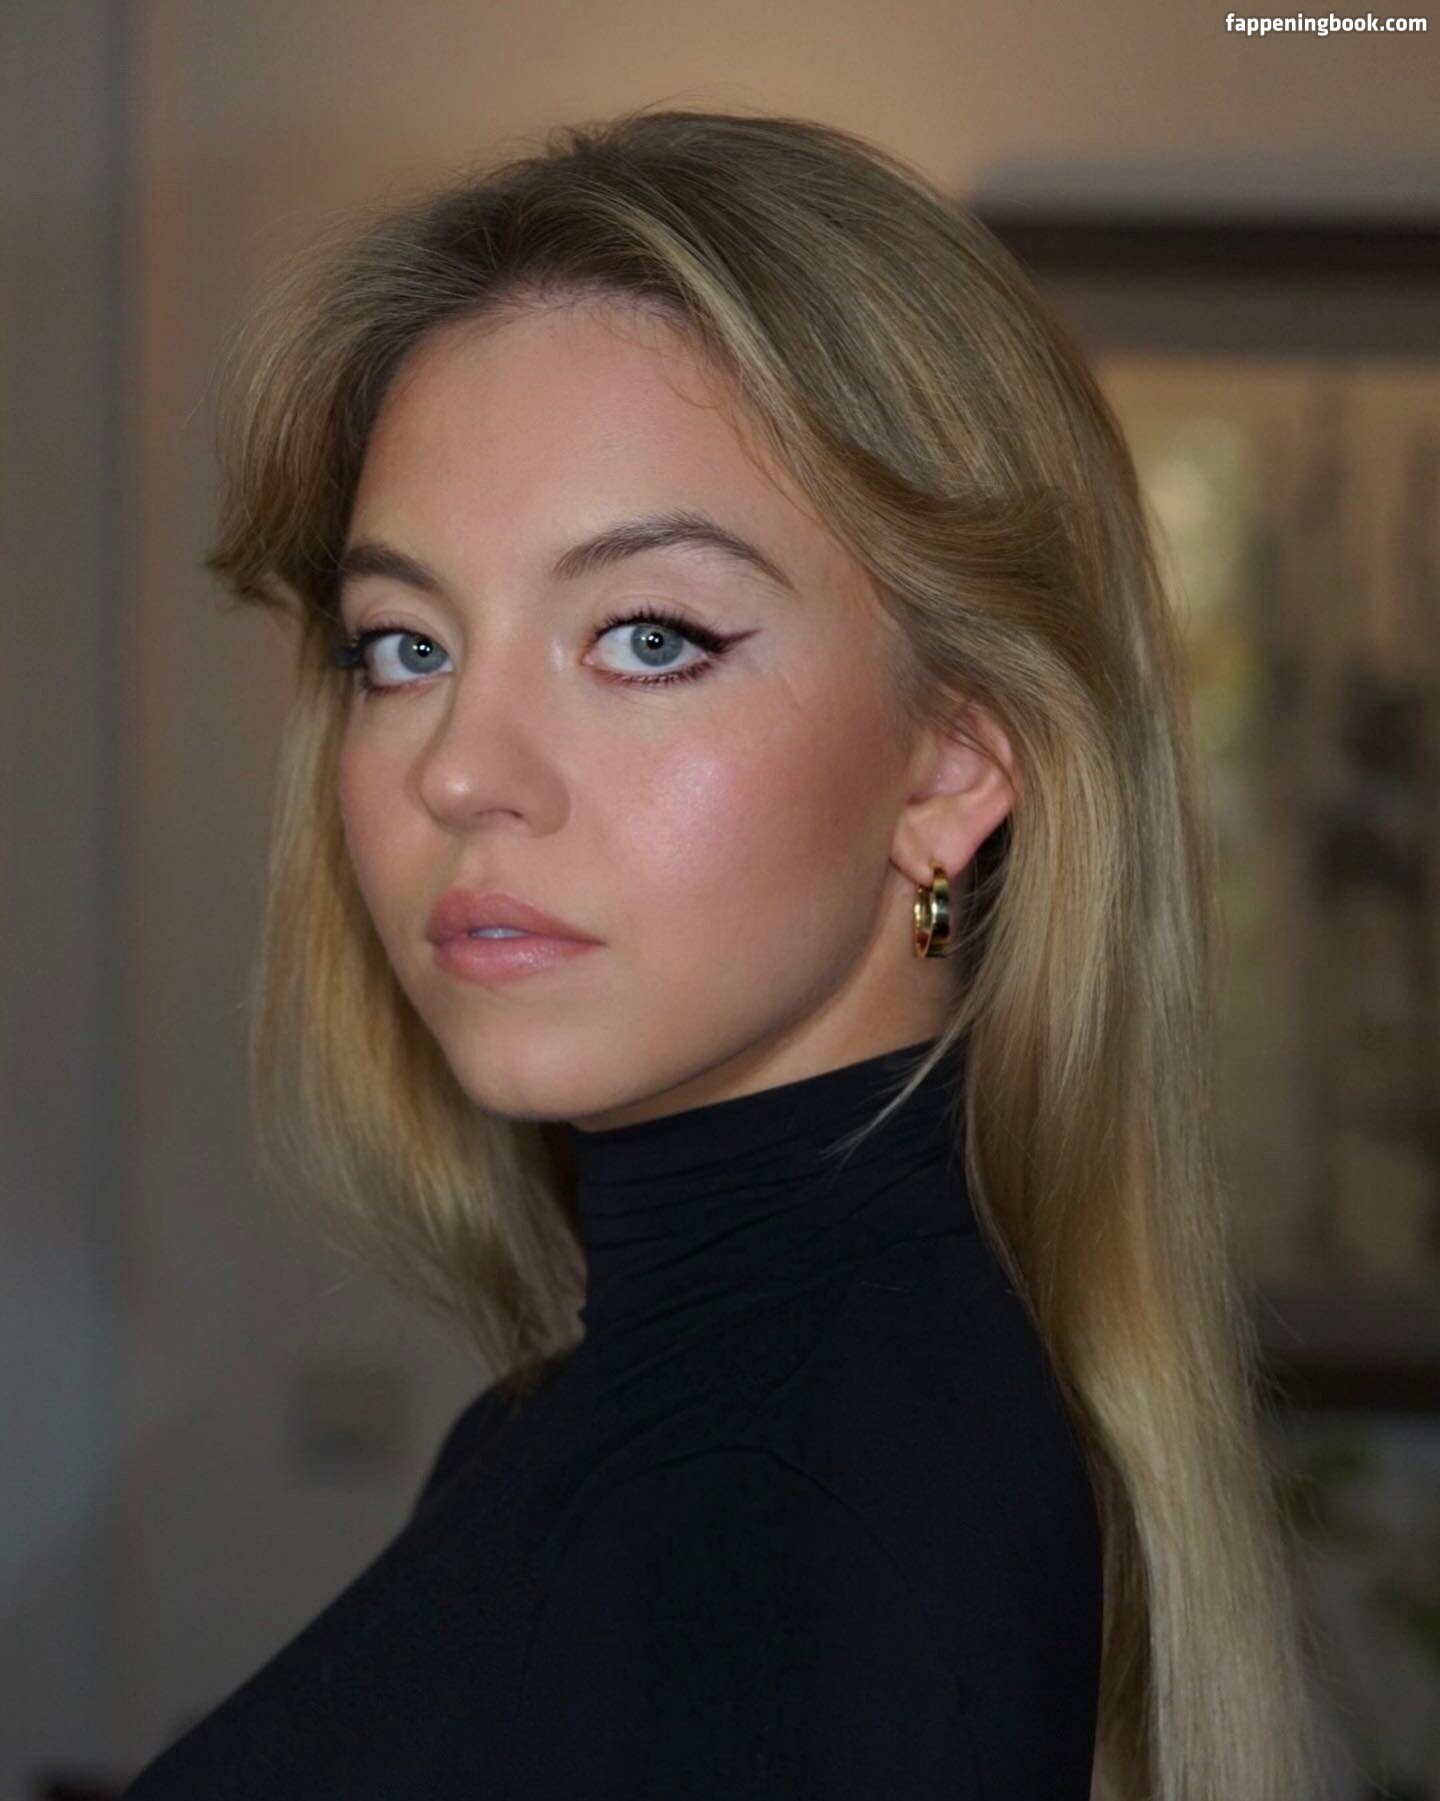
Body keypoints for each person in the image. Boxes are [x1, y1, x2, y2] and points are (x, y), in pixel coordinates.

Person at [121, 106, 1325, 1800]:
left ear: (952, 761)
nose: (459, 769)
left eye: (645, 636)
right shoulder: (624, 1432)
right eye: (404, 644)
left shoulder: (816, 1503)